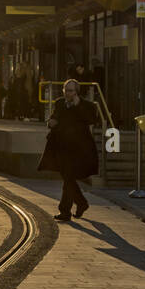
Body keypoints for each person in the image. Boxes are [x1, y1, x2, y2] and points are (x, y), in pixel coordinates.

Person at [38, 78, 99, 222]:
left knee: (68, 177)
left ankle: (67, 210)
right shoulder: (60, 103)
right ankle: (79, 204)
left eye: (71, 91)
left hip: (78, 148)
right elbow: (55, 117)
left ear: (76, 92)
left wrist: (77, 106)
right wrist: (51, 122)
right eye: (66, 90)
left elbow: (91, 120)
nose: (67, 93)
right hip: (61, 146)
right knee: (68, 177)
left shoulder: (87, 105)